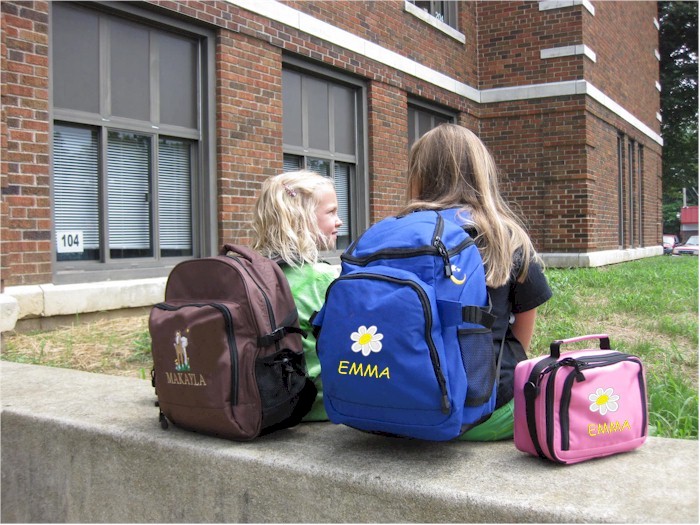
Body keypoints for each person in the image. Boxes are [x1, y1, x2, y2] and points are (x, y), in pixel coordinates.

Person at [402, 123, 552, 440]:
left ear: (418, 176)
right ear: (482, 173)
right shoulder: (506, 238)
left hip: (401, 406)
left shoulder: (396, 233)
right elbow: (521, 337)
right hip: (485, 414)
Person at [252, 170, 342, 421]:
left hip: (268, 402)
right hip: (318, 407)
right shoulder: (321, 279)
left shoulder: (254, 273)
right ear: (300, 220)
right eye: (331, 212)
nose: (339, 221)